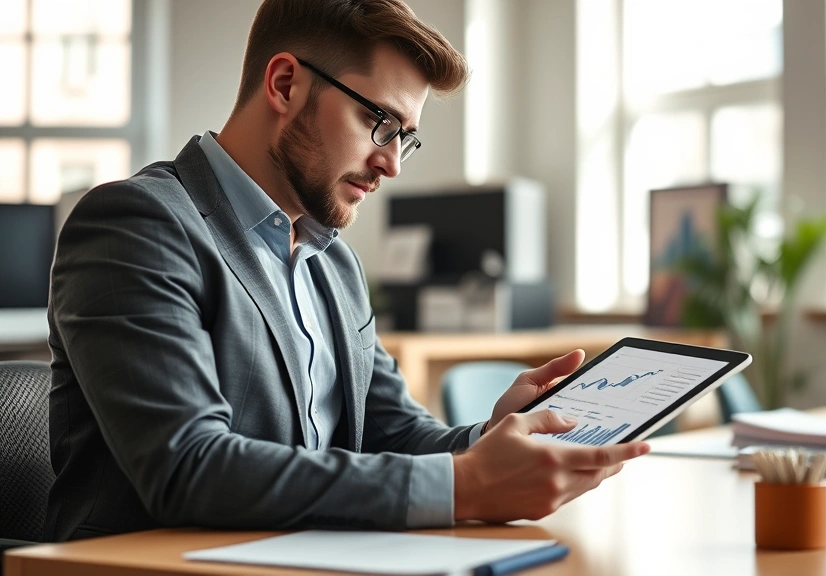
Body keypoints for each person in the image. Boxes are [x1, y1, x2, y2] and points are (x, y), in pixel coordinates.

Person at [44, 0, 649, 542]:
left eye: (405, 139)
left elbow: (395, 435)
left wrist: (486, 442)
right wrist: (464, 486)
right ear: (284, 84)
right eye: (377, 123)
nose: (391, 165)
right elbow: (189, 467)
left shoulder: (333, 262)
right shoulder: (136, 224)